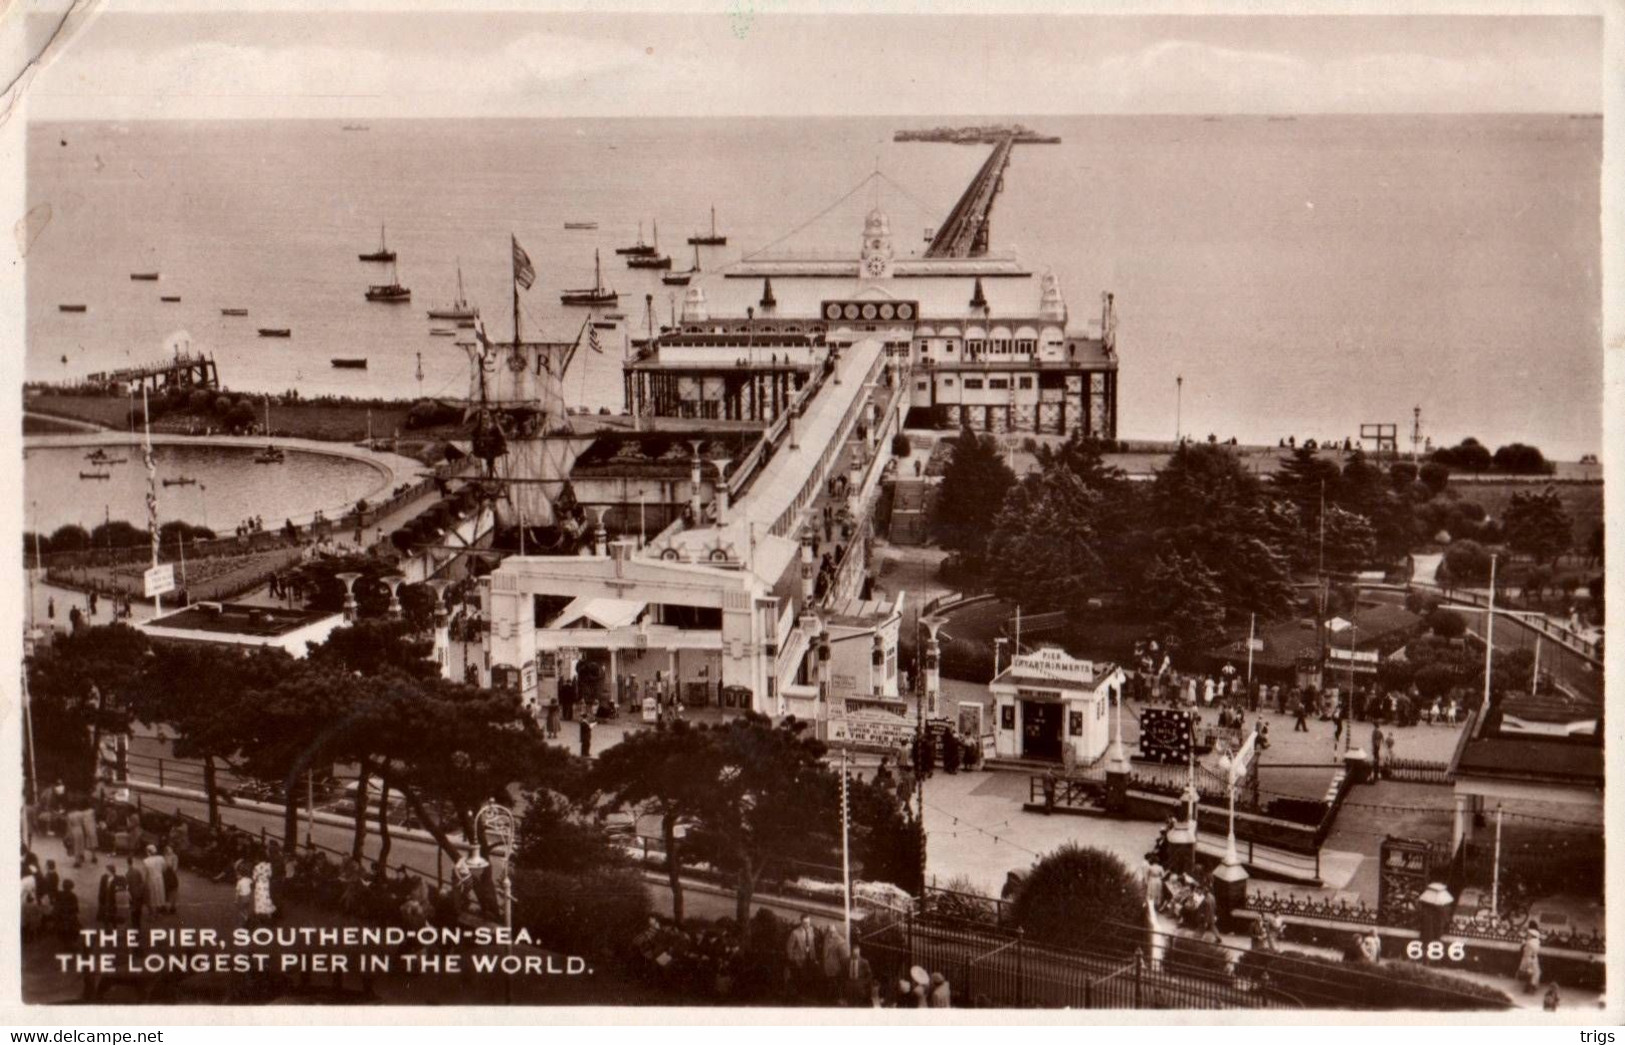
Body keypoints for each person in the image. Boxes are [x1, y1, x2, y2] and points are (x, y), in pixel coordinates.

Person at [784, 915, 817, 998]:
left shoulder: (811, 931)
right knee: (799, 978)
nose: (807, 925)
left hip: (809, 958)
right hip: (799, 960)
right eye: (805, 923)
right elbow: (789, 947)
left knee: (808, 977)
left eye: (809, 923)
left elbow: (812, 945)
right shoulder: (795, 933)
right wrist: (793, 958)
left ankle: (806, 994)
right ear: (801, 922)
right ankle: (799, 995)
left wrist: (814, 957)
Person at [124, 855, 148, 931]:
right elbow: (142, 882)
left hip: (133, 895)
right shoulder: (137, 871)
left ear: (127, 863)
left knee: (134, 912)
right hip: (139, 894)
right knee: (138, 911)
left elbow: (127, 886)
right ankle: (138, 926)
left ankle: (135, 927)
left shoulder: (128, 874)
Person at [142, 844, 168, 914]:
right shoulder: (161, 858)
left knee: (152, 895)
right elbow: (164, 869)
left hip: (151, 879)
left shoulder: (146, 861)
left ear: (148, 851)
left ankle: (153, 913)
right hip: (159, 878)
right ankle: (158, 910)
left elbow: (145, 874)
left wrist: (144, 882)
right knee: (159, 894)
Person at [1518, 927, 1542, 993]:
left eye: (1528, 934)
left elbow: (1524, 951)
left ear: (1532, 935)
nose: (1527, 935)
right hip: (1534, 959)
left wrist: (1523, 944)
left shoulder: (1529, 943)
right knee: (1535, 973)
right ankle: (1532, 987)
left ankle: (1529, 988)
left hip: (1528, 959)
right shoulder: (1537, 942)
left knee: (1529, 973)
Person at [161, 844, 180, 914]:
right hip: (165, 875)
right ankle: (164, 907)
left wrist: (168, 867)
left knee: (173, 891)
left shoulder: (174, 857)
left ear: (172, 849)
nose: (167, 850)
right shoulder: (164, 856)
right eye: (167, 849)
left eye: (169, 848)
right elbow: (163, 867)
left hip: (171, 876)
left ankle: (173, 907)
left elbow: (174, 868)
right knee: (165, 891)